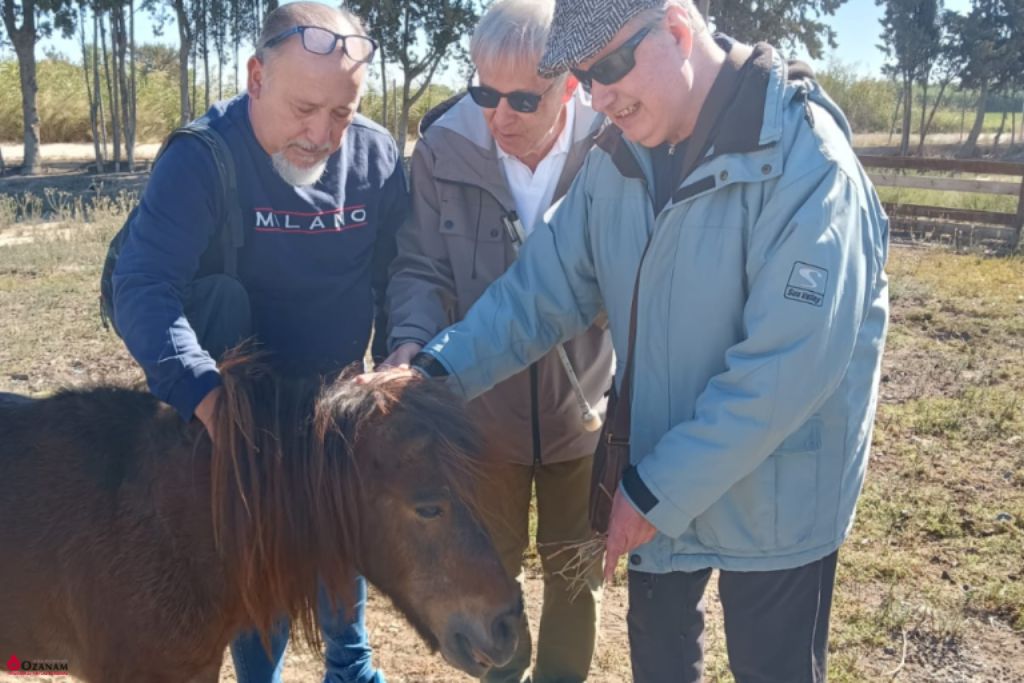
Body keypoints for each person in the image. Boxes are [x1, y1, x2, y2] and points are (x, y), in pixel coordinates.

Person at [377, 0, 890, 681]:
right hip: (657, 487)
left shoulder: (808, 162)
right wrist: (434, 376)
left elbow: (788, 368)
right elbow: (538, 293)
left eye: (610, 67)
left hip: (773, 503)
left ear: (677, 30)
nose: (598, 96)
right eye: (584, 77)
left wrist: (652, 493)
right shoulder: (617, 160)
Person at [111, 3, 406, 682]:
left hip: (338, 395)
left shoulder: (378, 156)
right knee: (257, 552)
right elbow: (144, 284)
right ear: (256, 76)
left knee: (338, 530)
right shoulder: (202, 157)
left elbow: (398, 275)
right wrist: (205, 397)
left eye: (342, 112)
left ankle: (350, 664)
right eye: (305, 108)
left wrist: (398, 355)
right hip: (239, 408)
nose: (323, 134)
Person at [380, 1, 613, 681]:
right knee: (485, 578)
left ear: (571, 85)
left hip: (587, 418)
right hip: (477, 424)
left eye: (521, 99)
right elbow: (420, 267)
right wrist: (410, 344)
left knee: (577, 578)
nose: (498, 115)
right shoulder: (442, 151)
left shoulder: (617, 145)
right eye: (483, 92)